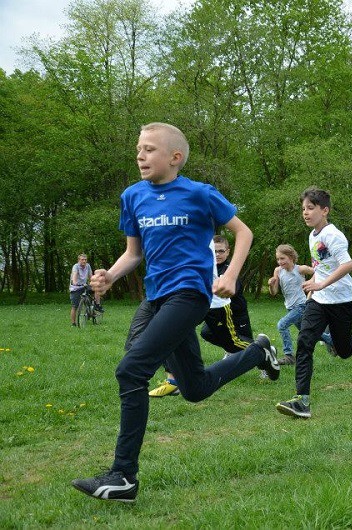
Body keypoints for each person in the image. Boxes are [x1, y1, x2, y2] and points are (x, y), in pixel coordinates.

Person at [72, 123, 280, 503]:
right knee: (195, 388)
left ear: (175, 157)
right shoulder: (132, 196)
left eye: (150, 149)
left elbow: (243, 232)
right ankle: (257, 353)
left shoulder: (200, 194)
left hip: (189, 294)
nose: (140, 155)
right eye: (139, 148)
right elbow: (134, 253)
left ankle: (123, 476)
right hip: (157, 298)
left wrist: (230, 274)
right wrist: (110, 277)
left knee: (131, 369)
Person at [275, 187, 352, 419]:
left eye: (310, 208)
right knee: (305, 341)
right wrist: (313, 289)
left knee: (343, 350)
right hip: (319, 300)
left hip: (341, 301)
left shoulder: (333, 235)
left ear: (324, 210)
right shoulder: (312, 236)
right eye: (303, 209)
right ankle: (302, 401)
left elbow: (347, 265)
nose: (305, 213)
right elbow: (319, 266)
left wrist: (321, 284)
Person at [149, 235, 262, 397]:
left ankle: (263, 352)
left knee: (236, 343)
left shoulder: (229, 268)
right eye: (214, 251)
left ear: (228, 252)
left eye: (221, 251)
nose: (217, 255)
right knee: (188, 331)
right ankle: (173, 380)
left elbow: (233, 288)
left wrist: (223, 282)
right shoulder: (206, 264)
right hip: (204, 307)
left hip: (232, 312)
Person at [268, 243, 333, 365]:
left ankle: (289, 356)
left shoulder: (300, 269)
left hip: (301, 306)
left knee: (282, 325)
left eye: (282, 258)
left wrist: (313, 285)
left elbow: (319, 271)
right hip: (289, 307)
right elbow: (274, 292)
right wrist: (271, 285)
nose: (279, 262)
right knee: (308, 331)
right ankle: (334, 342)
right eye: (278, 259)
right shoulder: (278, 271)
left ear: (291, 257)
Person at [69, 253, 102, 326]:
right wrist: (74, 282)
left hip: (84, 286)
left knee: (97, 289)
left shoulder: (88, 266)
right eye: (82, 260)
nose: (84, 261)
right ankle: (73, 323)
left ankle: (97, 305)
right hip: (76, 287)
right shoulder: (76, 266)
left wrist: (93, 282)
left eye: (85, 260)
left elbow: (91, 276)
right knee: (74, 306)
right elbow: (74, 274)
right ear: (79, 260)